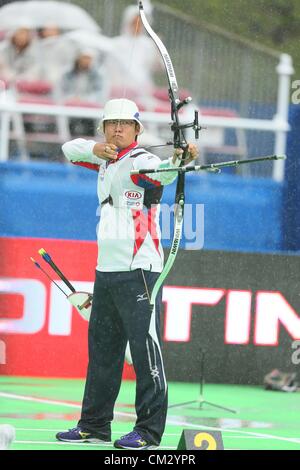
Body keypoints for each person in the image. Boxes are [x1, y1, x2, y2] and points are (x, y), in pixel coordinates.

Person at [56, 98, 198, 450]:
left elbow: (162, 170)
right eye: (111, 123)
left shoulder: (142, 161)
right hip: (107, 270)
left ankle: (148, 432)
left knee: (146, 351)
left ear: (137, 129)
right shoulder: (104, 159)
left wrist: (179, 159)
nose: (117, 129)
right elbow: (69, 148)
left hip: (140, 271)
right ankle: (94, 425)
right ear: (104, 128)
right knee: (103, 352)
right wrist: (96, 148)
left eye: (124, 124)